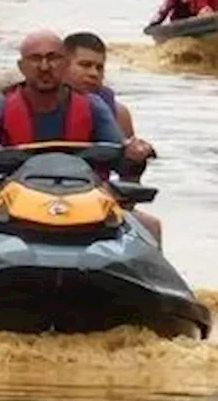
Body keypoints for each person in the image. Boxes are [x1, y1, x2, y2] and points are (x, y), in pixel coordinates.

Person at [0, 30, 154, 242]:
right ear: (21, 67)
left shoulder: (93, 106)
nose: (44, 67)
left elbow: (122, 161)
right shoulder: (0, 107)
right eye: (36, 59)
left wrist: (135, 155)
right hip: (17, 211)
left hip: (86, 209)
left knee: (151, 226)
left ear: (65, 64)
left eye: (53, 58)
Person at [61, 31, 164, 247]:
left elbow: (130, 186)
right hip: (33, 199)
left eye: (99, 67)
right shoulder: (33, 103)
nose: (93, 73)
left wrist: (136, 161)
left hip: (96, 203)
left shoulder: (118, 114)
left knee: (151, 226)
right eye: (85, 65)